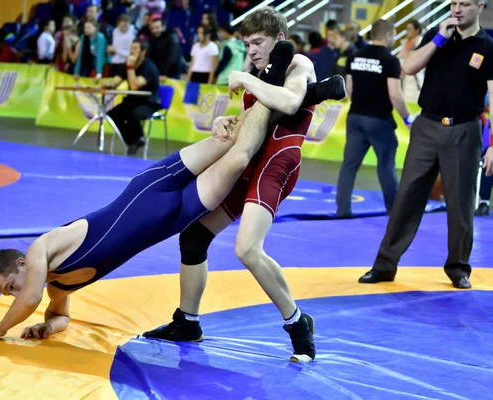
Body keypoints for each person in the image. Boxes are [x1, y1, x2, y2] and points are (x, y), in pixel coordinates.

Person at [0, 40, 298, 342]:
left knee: (225, 140)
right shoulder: (56, 286)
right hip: (171, 218)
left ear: (23, 264)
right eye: (8, 294)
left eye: (10, 286)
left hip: (150, 188)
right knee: (239, 157)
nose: (14, 295)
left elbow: (30, 299)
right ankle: (284, 89)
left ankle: (271, 77)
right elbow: (59, 314)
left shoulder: (42, 248)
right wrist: (47, 325)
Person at [142, 7, 346, 363]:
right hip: (250, 163)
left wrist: (247, 80)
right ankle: (187, 321)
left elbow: (291, 101)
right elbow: (256, 120)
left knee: (248, 249)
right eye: (246, 44)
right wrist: (226, 120)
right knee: (193, 237)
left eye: (257, 42)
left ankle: (299, 324)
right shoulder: (262, 72)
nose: (251, 50)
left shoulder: (298, 64)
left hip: (277, 162)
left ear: (279, 40)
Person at [358, 0, 493, 290]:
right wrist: (438, 39)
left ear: (480, 5)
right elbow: (408, 67)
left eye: (465, 4)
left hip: (464, 130)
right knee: (407, 197)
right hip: (426, 127)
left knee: (461, 204)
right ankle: (384, 265)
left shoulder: (490, 48)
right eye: (453, 3)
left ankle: (458, 269)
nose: (457, 9)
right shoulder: (435, 36)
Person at [336, 19, 412, 218]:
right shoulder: (390, 60)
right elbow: (395, 95)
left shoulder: (354, 56)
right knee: (386, 166)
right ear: (387, 35)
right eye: (394, 35)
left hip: (355, 117)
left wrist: (362, 103)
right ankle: (394, 211)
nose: (394, 39)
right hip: (379, 120)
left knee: (349, 166)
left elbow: (349, 89)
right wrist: (407, 118)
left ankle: (343, 210)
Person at [104, 38, 161, 155]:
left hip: (148, 102)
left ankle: (138, 139)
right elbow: (116, 81)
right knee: (112, 115)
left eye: (135, 49)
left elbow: (135, 86)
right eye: (131, 48)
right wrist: (108, 84)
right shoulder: (127, 64)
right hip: (132, 100)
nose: (131, 51)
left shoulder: (148, 67)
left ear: (143, 52)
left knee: (132, 114)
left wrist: (130, 67)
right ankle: (133, 141)